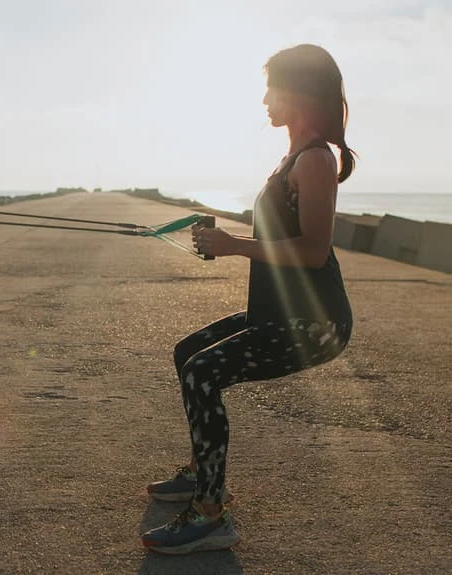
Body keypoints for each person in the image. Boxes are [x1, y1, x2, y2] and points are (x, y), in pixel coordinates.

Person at [141, 44, 355, 555]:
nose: (264, 100)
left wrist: (234, 246)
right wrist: (221, 239)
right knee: (187, 352)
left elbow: (313, 250)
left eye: (271, 88)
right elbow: (280, 234)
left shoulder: (316, 159)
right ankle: (204, 470)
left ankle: (211, 512)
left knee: (202, 372)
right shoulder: (292, 159)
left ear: (300, 93)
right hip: (277, 313)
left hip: (315, 322)